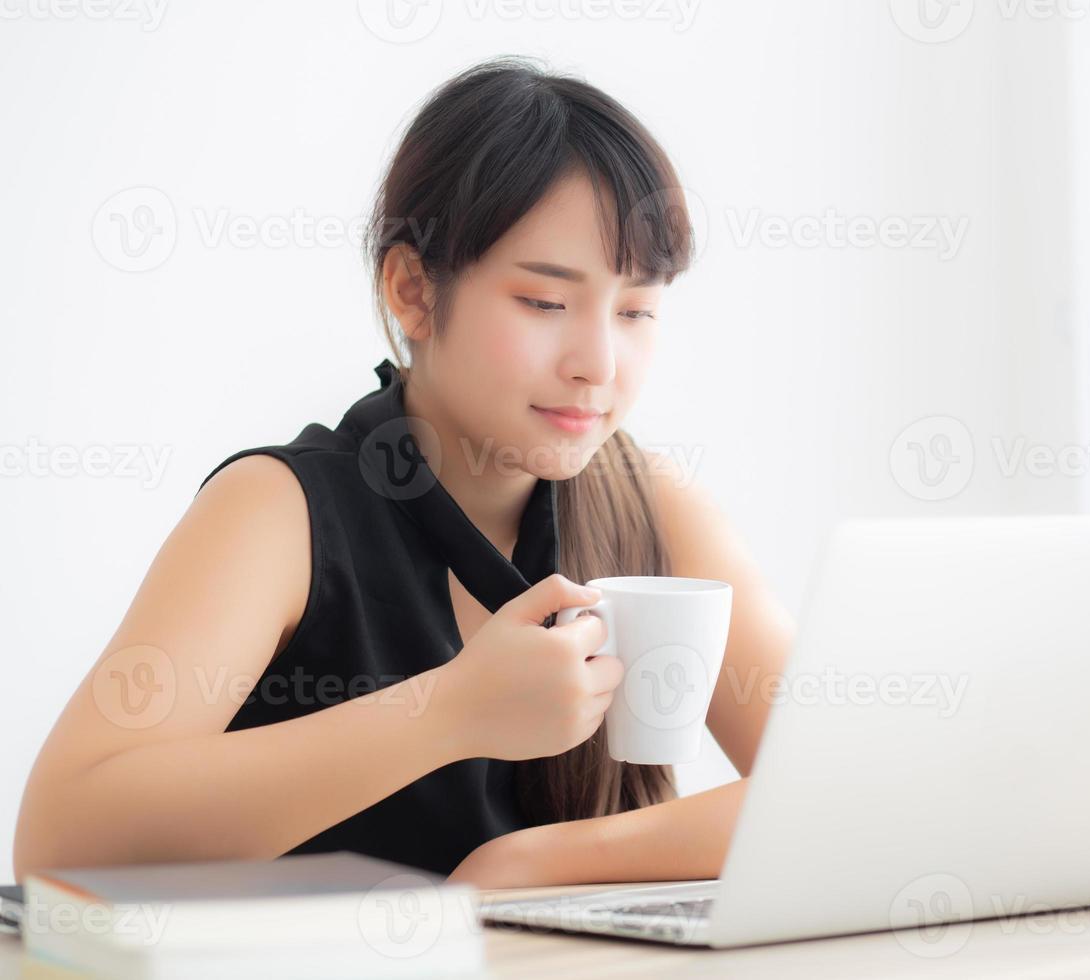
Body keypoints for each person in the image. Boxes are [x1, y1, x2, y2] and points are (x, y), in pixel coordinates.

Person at [13, 57, 795, 889]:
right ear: (414, 290)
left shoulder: (653, 507)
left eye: (637, 311)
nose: (598, 365)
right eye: (544, 302)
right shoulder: (279, 513)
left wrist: (534, 861)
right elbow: (61, 842)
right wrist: (448, 713)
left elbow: (853, 786)